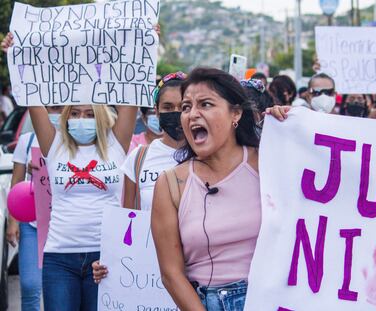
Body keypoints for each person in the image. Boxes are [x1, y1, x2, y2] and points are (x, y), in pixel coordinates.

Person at [2, 31, 137, 311]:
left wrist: (143, 44)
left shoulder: (116, 143)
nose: (80, 119)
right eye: (74, 113)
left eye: (89, 113)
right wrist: (15, 56)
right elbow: (32, 95)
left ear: (100, 116)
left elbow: (131, 86)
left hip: (106, 257)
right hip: (59, 258)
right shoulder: (54, 146)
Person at [150, 68, 262, 311]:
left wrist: (290, 124)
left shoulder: (268, 164)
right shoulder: (170, 184)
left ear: (236, 113)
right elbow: (171, 274)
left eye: (206, 104)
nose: (192, 114)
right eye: (187, 107)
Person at [92, 72, 187, 283]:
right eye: (168, 107)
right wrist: (109, 261)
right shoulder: (140, 158)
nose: (176, 113)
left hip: (195, 269)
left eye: (183, 107)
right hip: (148, 273)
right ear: (156, 111)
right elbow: (127, 221)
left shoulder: (208, 155)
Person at [7, 106, 62, 311]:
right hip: (33, 224)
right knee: (30, 285)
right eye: (52, 108)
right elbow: (17, 181)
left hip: (63, 225)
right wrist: (13, 222)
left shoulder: (75, 141)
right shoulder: (27, 140)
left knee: (59, 286)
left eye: (61, 108)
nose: (56, 112)